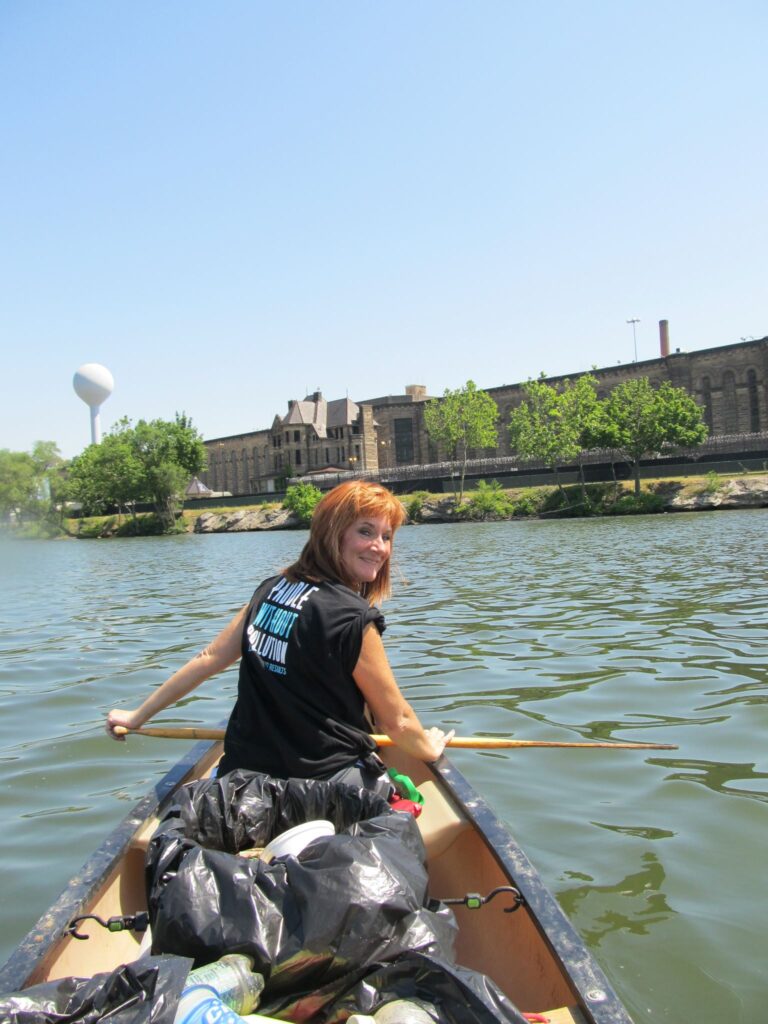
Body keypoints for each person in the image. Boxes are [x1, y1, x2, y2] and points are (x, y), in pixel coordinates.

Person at [106, 480, 454, 796]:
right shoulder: (353, 618)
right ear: (332, 534)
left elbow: (209, 657)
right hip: (321, 787)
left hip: (241, 780)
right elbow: (398, 722)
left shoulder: (272, 589)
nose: (379, 547)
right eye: (366, 532)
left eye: (387, 536)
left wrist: (137, 716)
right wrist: (429, 748)